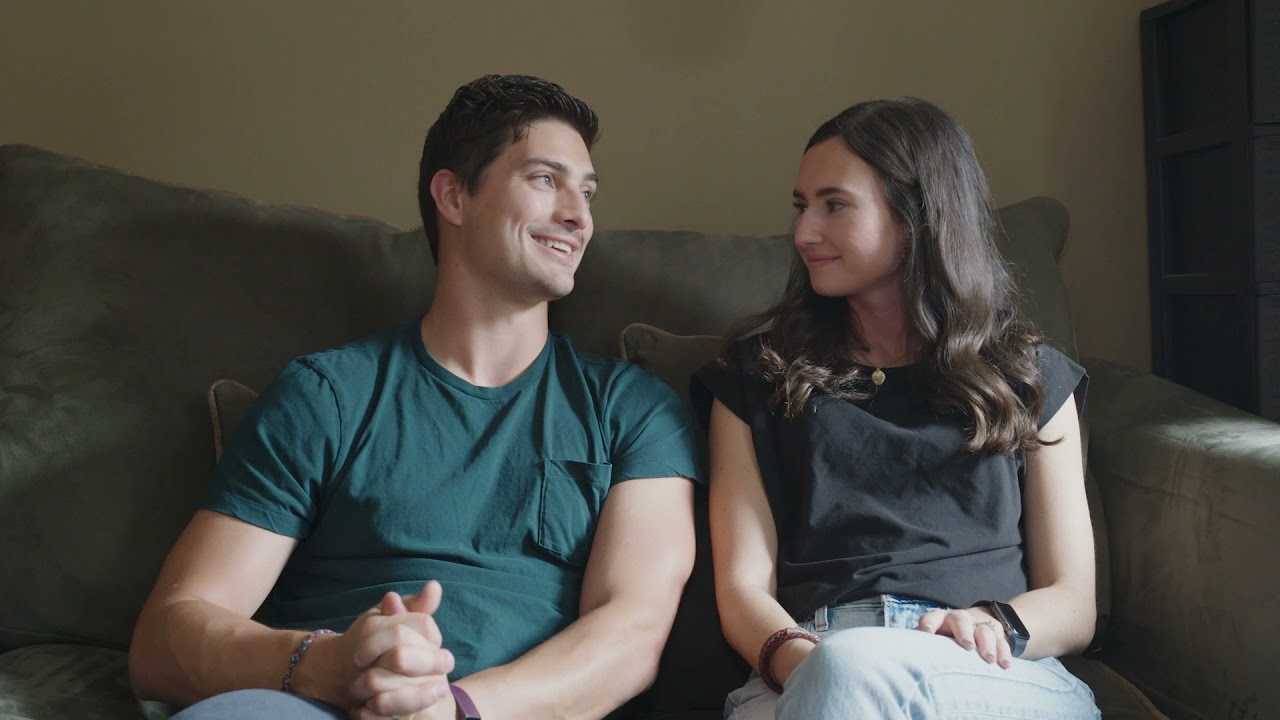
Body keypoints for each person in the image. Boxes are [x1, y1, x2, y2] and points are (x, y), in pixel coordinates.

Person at [128, 75, 702, 720]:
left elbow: (632, 634)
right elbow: (164, 638)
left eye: (588, 191)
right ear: (454, 195)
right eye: (546, 180)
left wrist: (452, 708)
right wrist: (329, 665)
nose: (579, 215)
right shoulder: (327, 396)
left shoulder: (632, 408)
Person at [694, 98, 1101, 719]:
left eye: (835, 204)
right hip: (810, 660)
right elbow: (743, 587)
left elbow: (1074, 602)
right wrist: (802, 662)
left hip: (988, 668)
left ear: (916, 216)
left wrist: (991, 623)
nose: (804, 233)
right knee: (842, 673)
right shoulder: (756, 376)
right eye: (802, 207)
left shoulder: (1029, 376)